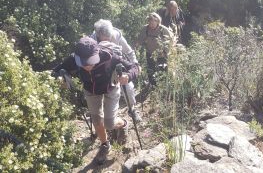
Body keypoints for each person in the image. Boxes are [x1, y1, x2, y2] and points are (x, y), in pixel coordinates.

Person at [53, 36, 139, 164]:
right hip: (91, 91)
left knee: (109, 124)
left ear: (97, 52)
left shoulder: (110, 56)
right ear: (77, 57)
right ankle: (105, 144)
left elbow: (136, 67)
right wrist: (61, 79)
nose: (88, 66)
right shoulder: (72, 59)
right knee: (97, 120)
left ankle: (124, 124)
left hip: (111, 88)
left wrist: (128, 75)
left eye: (91, 61)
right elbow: (56, 71)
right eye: (84, 62)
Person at [90, 19, 142, 122]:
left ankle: (131, 110)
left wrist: (135, 64)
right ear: (98, 34)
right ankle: (102, 119)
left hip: (118, 64)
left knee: (128, 87)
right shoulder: (92, 40)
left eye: (109, 38)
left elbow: (129, 51)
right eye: (104, 38)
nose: (107, 40)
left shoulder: (117, 35)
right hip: (101, 68)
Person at [136, 12, 173, 86]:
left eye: (154, 22)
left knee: (163, 70)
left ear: (158, 22)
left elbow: (170, 41)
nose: (152, 24)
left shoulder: (163, 30)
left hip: (162, 54)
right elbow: (139, 40)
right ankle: (152, 85)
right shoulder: (145, 29)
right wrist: (135, 47)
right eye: (150, 22)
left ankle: (163, 86)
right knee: (150, 70)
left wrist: (165, 51)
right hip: (150, 52)